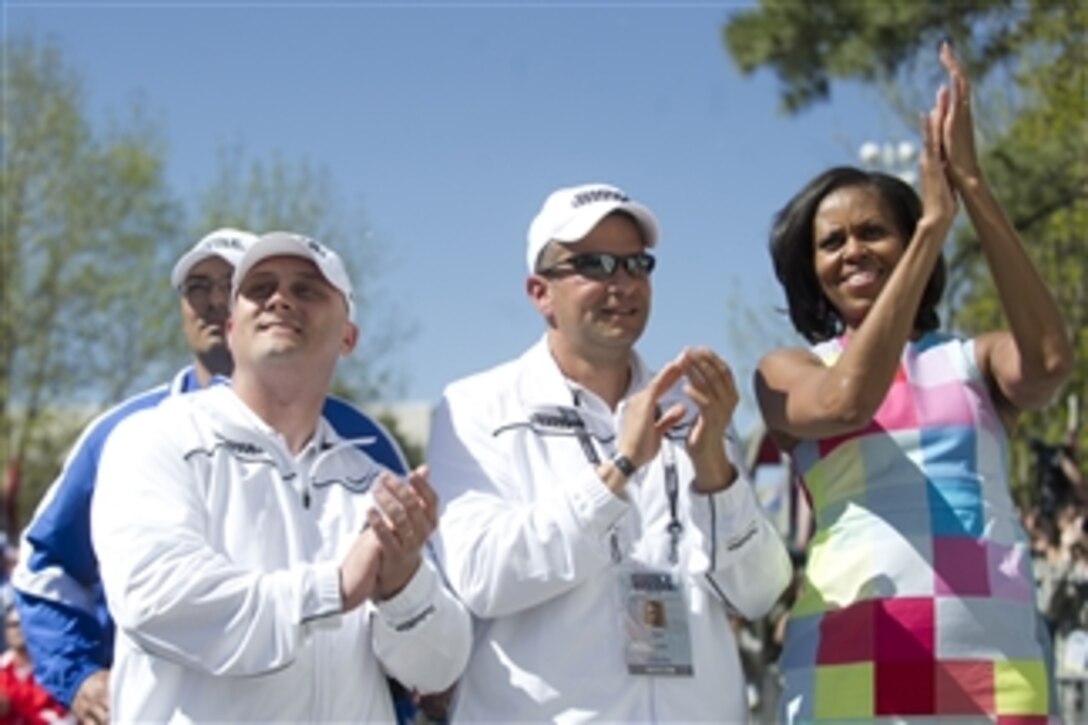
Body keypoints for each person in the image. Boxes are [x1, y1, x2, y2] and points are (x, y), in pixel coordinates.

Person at [754, 43, 1074, 722]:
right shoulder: (790, 370)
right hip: (849, 656)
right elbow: (848, 402)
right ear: (810, 269)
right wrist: (931, 224)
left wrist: (972, 186)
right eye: (832, 242)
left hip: (995, 664)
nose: (853, 251)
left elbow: (1047, 364)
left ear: (909, 247)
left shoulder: (972, 359)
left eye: (874, 231)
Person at [12, 228, 411, 724]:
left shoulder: (361, 440)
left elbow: (407, 583)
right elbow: (47, 566)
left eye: (229, 282)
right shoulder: (127, 432)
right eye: (196, 286)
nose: (212, 299)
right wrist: (78, 675)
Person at [428, 182, 793, 721]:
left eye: (635, 264)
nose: (621, 283)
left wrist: (715, 472)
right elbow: (481, 578)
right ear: (539, 292)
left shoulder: (693, 408)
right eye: (593, 264)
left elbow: (759, 593)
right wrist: (617, 471)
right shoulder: (474, 406)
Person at [89, 232, 471, 721]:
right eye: (260, 287)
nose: (280, 299)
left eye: (308, 289)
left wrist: (403, 585)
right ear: (231, 327)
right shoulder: (156, 438)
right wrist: (332, 588)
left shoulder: (373, 481)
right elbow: (155, 598)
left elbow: (437, 669)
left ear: (348, 336)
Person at [0, 603, 71, 725]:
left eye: (22, 623)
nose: (18, 630)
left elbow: (67, 717)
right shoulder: (2, 669)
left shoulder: (55, 670)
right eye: (12, 625)